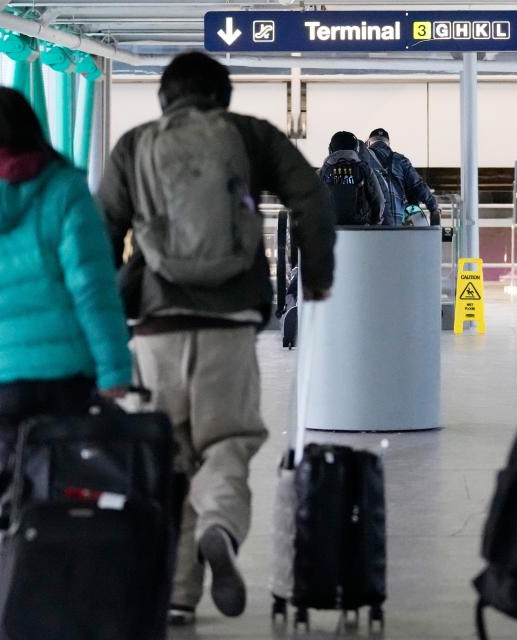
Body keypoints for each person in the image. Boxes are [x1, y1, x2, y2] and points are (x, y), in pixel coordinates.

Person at [97, 51, 335, 627]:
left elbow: (101, 230)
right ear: (222, 96)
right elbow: (310, 195)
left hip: (155, 329)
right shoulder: (249, 135)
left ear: (164, 98)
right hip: (229, 325)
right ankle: (219, 527)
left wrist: (107, 319)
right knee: (227, 441)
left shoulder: (135, 145)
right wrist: (318, 277)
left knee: (170, 459)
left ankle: (178, 595)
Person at [0, 87, 132, 633]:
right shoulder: (63, 191)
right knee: (75, 512)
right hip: (65, 382)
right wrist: (116, 372)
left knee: (21, 517)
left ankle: (15, 626)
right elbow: (94, 291)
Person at [364, 127, 440, 225]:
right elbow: (418, 185)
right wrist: (434, 208)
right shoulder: (400, 160)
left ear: (369, 143)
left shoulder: (363, 159)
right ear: (388, 144)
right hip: (395, 222)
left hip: (370, 223)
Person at [320, 131, 385, 226]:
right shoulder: (365, 169)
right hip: (359, 228)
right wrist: (374, 223)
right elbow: (379, 201)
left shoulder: (322, 172)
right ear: (357, 149)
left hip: (330, 228)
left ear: (330, 149)